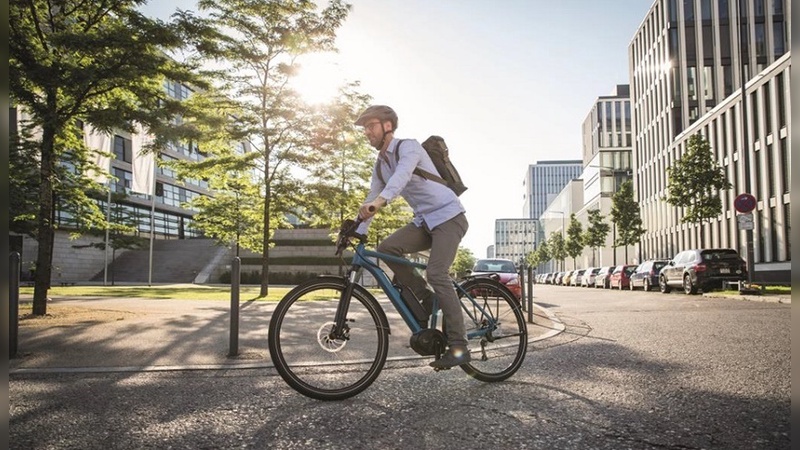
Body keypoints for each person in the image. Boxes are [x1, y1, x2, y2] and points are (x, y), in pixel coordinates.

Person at [353, 105, 470, 370]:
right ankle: (426, 299)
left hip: (449, 217)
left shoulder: (409, 147)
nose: (366, 132)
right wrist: (357, 229)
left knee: (437, 273)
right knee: (387, 248)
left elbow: (402, 178)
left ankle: (459, 345)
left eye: (370, 126)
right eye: (364, 129)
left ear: (387, 126)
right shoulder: (380, 165)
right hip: (425, 222)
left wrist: (381, 202)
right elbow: (372, 196)